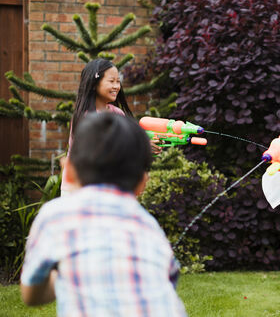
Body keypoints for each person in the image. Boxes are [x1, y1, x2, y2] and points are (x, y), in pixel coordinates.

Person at [20, 113, 187, 316]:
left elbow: (30, 293)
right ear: (142, 184)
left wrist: (64, 274)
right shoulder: (148, 225)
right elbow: (167, 279)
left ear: (68, 172)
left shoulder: (57, 215)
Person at [60, 58, 159, 195]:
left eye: (118, 81)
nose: (116, 86)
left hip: (106, 186)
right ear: (94, 84)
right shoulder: (86, 118)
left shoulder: (117, 113)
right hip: (78, 186)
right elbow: (101, 151)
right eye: (111, 81)